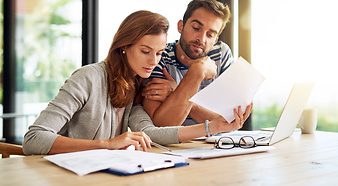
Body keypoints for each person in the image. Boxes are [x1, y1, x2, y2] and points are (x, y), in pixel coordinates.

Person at [23, 10, 247, 155]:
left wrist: (213, 128)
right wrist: (107, 145)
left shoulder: (136, 85)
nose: (153, 61)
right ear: (124, 46)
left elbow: (152, 132)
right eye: (145, 51)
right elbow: (33, 139)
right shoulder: (88, 77)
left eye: (159, 53)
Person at [142, 0, 253, 127]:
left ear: (215, 40)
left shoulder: (221, 54)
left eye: (210, 35)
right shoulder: (160, 56)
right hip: (175, 145)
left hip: (215, 143)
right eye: (196, 28)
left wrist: (177, 92)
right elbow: (161, 125)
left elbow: (230, 121)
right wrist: (198, 72)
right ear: (180, 26)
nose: (201, 39)